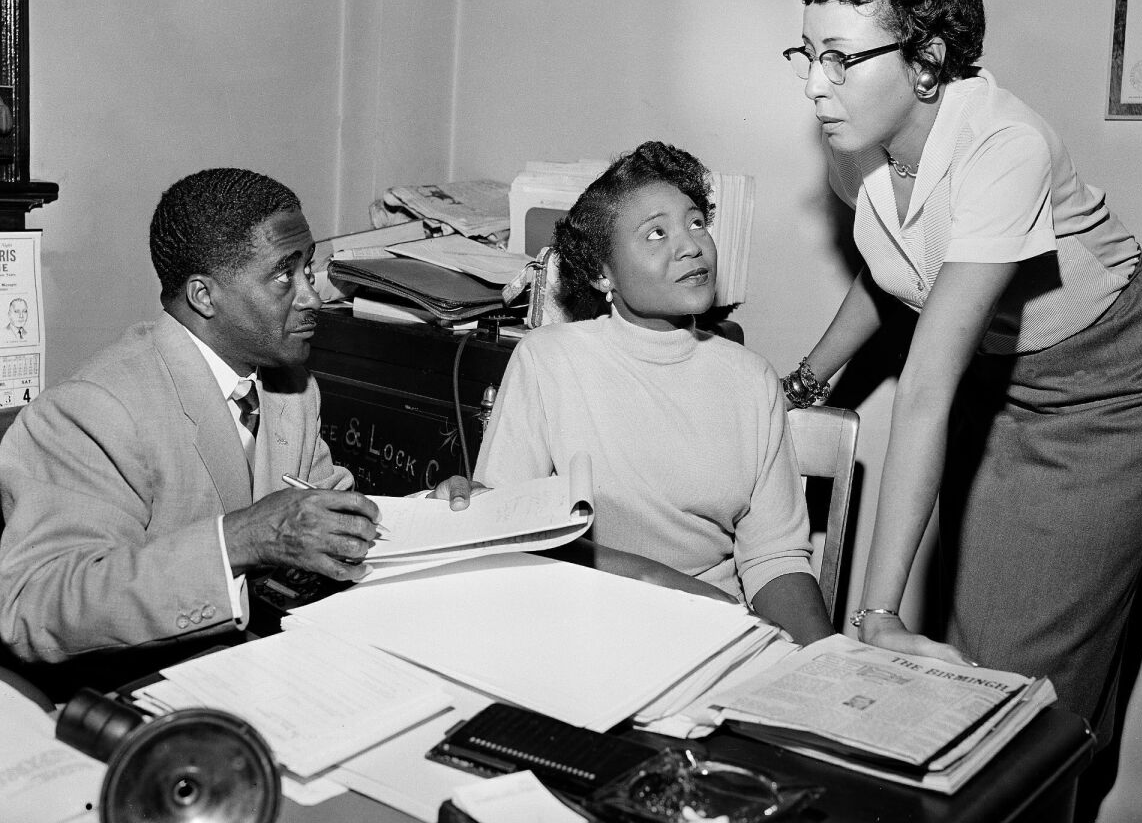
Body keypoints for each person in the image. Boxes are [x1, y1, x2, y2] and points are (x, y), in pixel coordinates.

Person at [782, 0, 1142, 738]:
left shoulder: (1006, 146)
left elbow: (928, 381)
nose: (814, 87)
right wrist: (803, 380)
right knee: (970, 656)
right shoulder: (855, 143)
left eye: (838, 58)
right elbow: (902, 272)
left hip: (1112, 385)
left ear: (928, 60)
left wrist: (873, 610)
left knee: (1024, 677)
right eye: (804, 55)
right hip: (999, 373)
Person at [0, 168, 470, 689]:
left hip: (264, 669)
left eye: (308, 268)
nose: (312, 297)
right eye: (283, 275)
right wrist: (242, 540)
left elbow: (318, 516)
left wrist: (433, 518)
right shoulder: (94, 410)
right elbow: (35, 606)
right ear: (205, 296)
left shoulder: (289, 387)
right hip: (147, 690)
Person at [474, 141, 834, 646]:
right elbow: (509, 533)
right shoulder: (548, 359)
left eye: (696, 223)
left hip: (713, 633)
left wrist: (822, 662)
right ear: (604, 273)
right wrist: (664, 584)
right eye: (656, 233)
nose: (691, 246)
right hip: (579, 626)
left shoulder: (751, 379)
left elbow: (774, 559)